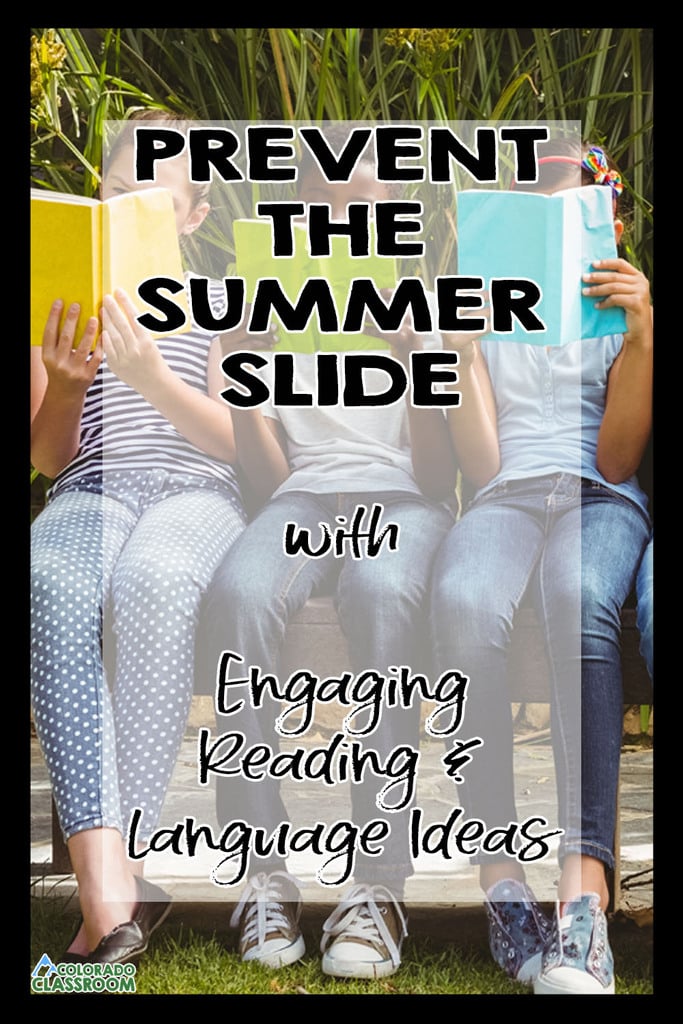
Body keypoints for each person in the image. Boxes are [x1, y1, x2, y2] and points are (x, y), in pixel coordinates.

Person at [198, 126, 485, 979]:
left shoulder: (417, 315)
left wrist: (417, 371)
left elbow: (438, 480)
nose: (344, 224)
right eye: (328, 209)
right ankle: (262, 874)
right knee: (241, 597)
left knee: (382, 595)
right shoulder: (280, 310)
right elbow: (266, 482)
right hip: (299, 500)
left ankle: (377, 881)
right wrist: (248, 388)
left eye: (365, 211)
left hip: (404, 502)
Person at [429, 140, 652, 995]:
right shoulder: (493, 306)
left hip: (598, 491)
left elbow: (619, 452)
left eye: (570, 197)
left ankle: (582, 898)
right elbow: (482, 467)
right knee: (459, 602)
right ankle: (504, 884)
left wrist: (640, 333)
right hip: (507, 494)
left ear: (604, 216)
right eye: (535, 198)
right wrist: (463, 351)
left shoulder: (615, 306)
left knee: (578, 596)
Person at [30, 112, 246, 964]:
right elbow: (50, 457)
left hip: (198, 493)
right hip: (94, 489)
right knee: (54, 580)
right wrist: (69, 382)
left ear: (192, 217)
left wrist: (153, 376)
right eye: (120, 193)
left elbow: (240, 445)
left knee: (154, 582)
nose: (132, 207)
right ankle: (113, 893)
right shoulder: (58, 303)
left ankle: (109, 905)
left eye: (154, 200)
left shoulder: (222, 303)